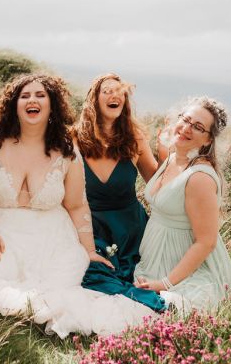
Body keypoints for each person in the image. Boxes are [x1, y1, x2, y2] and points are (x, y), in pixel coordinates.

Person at [0, 74, 165, 339]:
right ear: (14, 104)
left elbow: (77, 205)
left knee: (63, 291)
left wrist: (89, 251)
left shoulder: (66, 147)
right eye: (24, 96)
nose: (32, 100)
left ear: (52, 105)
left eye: (40, 95)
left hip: (51, 239)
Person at [133, 97, 231, 311]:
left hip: (179, 267)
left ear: (208, 141)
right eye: (186, 119)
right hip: (154, 257)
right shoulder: (174, 156)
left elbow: (206, 242)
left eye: (198, 127)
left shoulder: (199, 177)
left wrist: (165, 283)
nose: (187, 128)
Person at [74, 73, 165, 307]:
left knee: (140, 276)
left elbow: (155, 184)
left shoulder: (134, 138)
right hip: (90, 227)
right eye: (107, 91)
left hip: (131, 230)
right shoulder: (74, 138)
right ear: (93, 99)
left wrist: (165, 153)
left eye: (120, 91)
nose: (115, 95)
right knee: (91, 276)